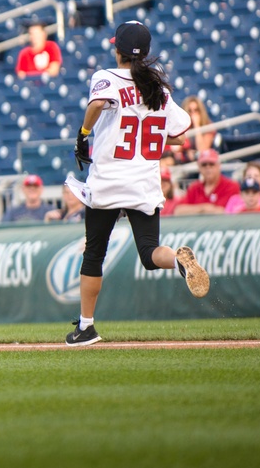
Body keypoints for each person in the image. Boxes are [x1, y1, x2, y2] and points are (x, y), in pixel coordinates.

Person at [65, 20, 209, 346]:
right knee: (149, 252)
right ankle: (178, 260)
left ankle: (86, 327)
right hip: (144, 181)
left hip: (108, 181)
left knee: (94, 254)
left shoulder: (107, 77)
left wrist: (84, 134)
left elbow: (98, 104)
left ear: (117, 49)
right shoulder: (160, 89)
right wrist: (150, 133)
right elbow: (176, 137)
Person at [173, 149, 240, 215]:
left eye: (211, 164)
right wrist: (203, 208)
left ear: (218, 166)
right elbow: (178, 211)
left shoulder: (231, 186)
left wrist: (195, 210)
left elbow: (226, 211)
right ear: (199, 167)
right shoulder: (195, 187)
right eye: (204, 165)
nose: (208, 168)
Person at [162, 95, 215, 165]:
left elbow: (202, 150)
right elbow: (175, 148)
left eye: (196, 110)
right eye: (190, 111)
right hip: (180, 161)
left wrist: (197, 125)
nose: (193, 114)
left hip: (200, 163)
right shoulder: (182, 127)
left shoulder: (208, 127)